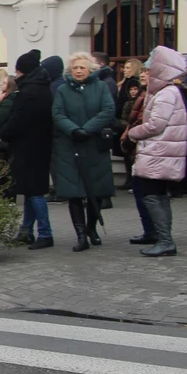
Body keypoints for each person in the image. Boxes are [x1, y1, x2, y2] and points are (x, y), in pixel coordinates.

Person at [126, 46, 187, 257]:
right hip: (163, 153)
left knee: (153, 196)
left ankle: (165, 240)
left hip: (159, 153)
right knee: (159, 196)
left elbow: (155, 125)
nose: (147, 70)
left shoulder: (165, 94)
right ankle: (164, 239)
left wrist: (134, 133)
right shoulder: (169, 91)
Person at [52, 52, 116, 252]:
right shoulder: (62, 90)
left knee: (96, 192)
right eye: (75, 68)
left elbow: (108, 110)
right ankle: (80, 235)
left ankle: (91, 229)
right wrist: (73, 129)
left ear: (90, 69)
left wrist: (87, 129)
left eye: (82, 67)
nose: (78, 71)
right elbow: (57, 113)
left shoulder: (101, 87)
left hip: (94, 145)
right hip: (70, 146)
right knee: (74, 193)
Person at [0, 50, 54, 249]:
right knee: (31, 191)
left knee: (35, 192)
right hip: (40, 145)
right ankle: (26, 231)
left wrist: (2, 134)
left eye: (18, 70)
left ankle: (45, 233)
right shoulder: (43, 88)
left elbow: (18, 120)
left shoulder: (29, 92)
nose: (16, 74)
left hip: (29, 147)